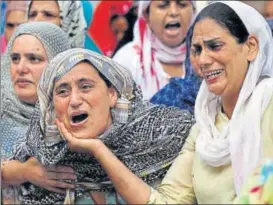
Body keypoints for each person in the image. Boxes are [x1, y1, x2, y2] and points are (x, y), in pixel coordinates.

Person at [49, 1, 273, 204]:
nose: (203, 60)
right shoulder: (205, 126)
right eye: (196, 49)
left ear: (251, 47)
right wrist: (99, 150)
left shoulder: (268, 105)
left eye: (215, 46)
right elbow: (166, 201)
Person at [12, 48, 194, 204]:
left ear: (112, 94)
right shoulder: (44, 161)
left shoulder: (165, 134)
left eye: (85, 87)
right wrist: (18, 172)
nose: (74, 100)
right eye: (62, 91)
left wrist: (99, 150)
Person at [0, 22, 76, 204]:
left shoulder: (79, 114)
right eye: (15, 58)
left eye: (34, 59)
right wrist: (22, 171)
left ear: (58, 65)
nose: (21, 68)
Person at [113, 0, 198, 101]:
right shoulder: (126, 61)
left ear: (193, 12)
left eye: (182, 4)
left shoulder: (206, 58)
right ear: (146, 14)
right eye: (163, 5)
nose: (173, 12)